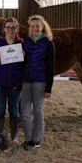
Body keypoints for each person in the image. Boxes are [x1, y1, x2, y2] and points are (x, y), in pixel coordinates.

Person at [21, 15, 55, 151]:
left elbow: (50, 67)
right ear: (30, 28)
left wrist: (49, 88)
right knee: (24, 112)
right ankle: (28, 138)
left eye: (37, 26)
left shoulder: (48, 44)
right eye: (32, 26)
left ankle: (37, 140)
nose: (35, 28)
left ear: (42, 27)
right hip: (26, 81)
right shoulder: (26, 43)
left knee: (38, 111)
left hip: (40, 81)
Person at [0, 17, 24, 143]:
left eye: (13, 27)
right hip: (0, 83)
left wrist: (24, 56)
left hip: (15, 84)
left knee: (14, 112)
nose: (10, 30)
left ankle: (14, 136)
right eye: (8, 27)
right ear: (4, 29)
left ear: (17, 29)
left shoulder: (21, 44)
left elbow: (25, 66)